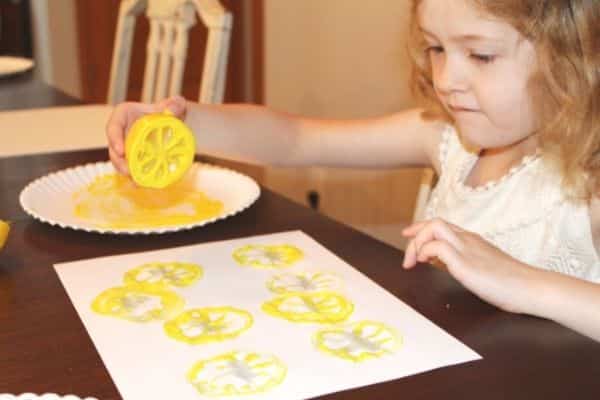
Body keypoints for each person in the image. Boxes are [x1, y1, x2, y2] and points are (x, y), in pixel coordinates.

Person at [106, 0, 600, 340]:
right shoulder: (448, 139)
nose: (448, 80)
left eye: (481, 55)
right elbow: (298, 139)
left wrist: (523, 282)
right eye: (436, 49)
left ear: (572, 51)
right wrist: (184, 123)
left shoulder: (587, 178)